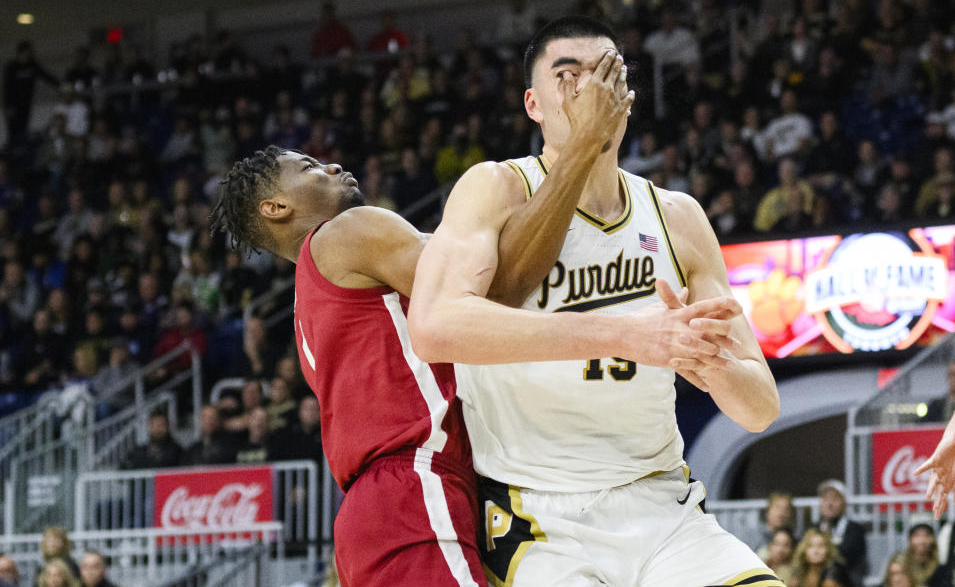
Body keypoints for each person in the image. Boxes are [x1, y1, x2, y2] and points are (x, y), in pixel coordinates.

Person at [210, 52, 732, 584]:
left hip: (388, 502)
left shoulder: (312, 293)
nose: (333, 166)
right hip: (413, 483)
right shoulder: (349, 232)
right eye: (309, 168)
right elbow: (495, 287)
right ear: (276, 208)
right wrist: (578, 152)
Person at [408, 16, 781, 587]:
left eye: (606, 72)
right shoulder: (497, 187)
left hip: (662, 506)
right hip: (541, 517)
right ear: (533, 104)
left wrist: (712, 362)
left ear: (626, 97)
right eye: (568, 74)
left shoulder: (677, 215)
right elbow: (434, 326)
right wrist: (629, 335)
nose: (590, 87)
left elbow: (759, 409)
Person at [815, 480, 867, 586]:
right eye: (825, 499)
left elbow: (847, 557)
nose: (829, 504)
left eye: (834, 499)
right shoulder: (813, 529)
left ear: (844, 504)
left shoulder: (855, 529)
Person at [788, 529, 853, 587]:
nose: (816, 551)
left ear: (828, 550)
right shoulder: (800, 573)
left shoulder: (834, 571)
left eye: (821, 546)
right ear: (804, 551)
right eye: (811, 546)